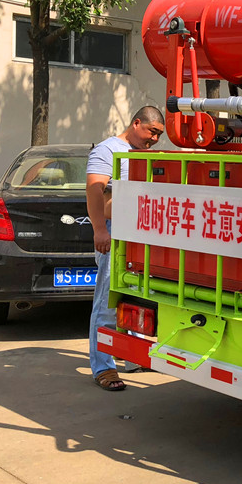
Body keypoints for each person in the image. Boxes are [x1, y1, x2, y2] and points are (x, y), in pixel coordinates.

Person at [86, 106, 165, 391]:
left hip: (139, 233)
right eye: (152, 132)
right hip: (115, 232)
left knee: (136, 297)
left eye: (159, 135)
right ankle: (103, 367)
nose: (154, 139)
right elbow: (94, 189)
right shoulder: (108, 150)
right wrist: (99, 230)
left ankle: (133, 357)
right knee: (107, 300)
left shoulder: (143, 153)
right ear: (136, 123)